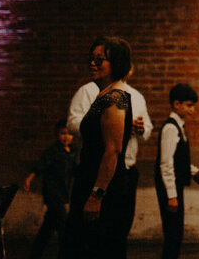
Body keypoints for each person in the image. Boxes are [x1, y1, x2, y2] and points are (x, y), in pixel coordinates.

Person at [67, 55, 152, 255]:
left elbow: (147, 129)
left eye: (100, 59)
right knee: (87, 236)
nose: (93, 64)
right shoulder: (87, 91)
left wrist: (140, 129)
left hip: (126, 171)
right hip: (95, 171)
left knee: (118, 232)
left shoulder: (135, 96)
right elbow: (72, 123)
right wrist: (108, 127)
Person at [60, 37, 136, 259]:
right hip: (91, 179)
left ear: (117, 63)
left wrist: (96, 196)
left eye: (100, 60)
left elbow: (112, 151)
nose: (92, 64)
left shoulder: (115, 98)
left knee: (95, 247)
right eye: (91, 59)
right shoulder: (107, 94)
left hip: (102, 187)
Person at [156, 83, 199, 259]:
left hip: (175, 186)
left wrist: (197, 174)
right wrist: (172, 195)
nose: (193, 110)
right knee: (173, 235)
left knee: (177, 234)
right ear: (176, 104)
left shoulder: (179, 127)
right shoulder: (170, 128)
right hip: (169, 189)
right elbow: (166, 164)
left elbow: (180, 161)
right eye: (189, 105)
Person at [25, 119, 78, 259]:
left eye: (69, 134)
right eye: (62, 133)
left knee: (48, 226)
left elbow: (75, 171)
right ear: (57, 135)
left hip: (63, 192)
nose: (66, 137)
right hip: (53, 193)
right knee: (63, 224)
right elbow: (40, 166)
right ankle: (65, 254)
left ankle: (35, 253)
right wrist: (29, 179)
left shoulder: (72, 152)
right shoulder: (52, 151)